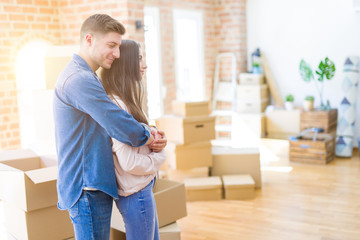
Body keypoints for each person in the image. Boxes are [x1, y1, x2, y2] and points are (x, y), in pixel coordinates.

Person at [53, 14, 167, 240]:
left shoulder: (87, 76)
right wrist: (150, 135)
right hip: (86, 187)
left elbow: (117, 117)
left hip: (93, 184)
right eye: (111, 45)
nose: (117, 53)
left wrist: (149, 129)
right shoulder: (78, 79)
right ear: (89, 39)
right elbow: (118, 123)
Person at [101, 39, 165, 240]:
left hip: (141, 189)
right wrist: (160, 158)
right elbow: (129, 162)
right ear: (126, 63)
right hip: (135, 193)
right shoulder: (119, 105)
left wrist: (153, 134)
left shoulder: (126, 100)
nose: (144, 64)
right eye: (139, 58)